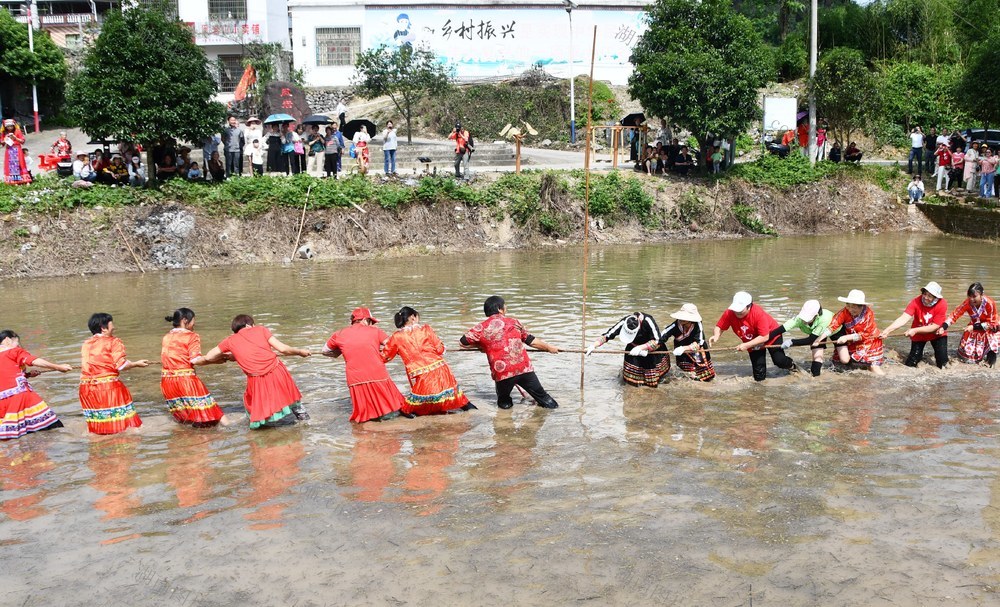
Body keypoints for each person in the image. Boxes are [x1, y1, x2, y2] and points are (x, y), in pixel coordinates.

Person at [198, 314, 311, 429]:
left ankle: (263, 432)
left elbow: (208, 357)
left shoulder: (230, 340)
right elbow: (283, 349)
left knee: (253, 404)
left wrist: (228, 356)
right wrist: (300, 351)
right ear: (248, 325)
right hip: (276, 370)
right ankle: (304, 419)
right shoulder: (261, 329)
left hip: (256, 379)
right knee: (289, 395)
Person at [460, 295, 560, 409]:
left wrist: (483, 345)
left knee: (504, 403)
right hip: (523, 368)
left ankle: (504, 422)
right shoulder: (514, 322)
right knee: (545, 399)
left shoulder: (481, 328)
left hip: (502, 373)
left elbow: (463, 342)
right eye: (504, 306)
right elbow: (531, 341)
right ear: (499, 309)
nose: (505, 308)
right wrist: (549, 347)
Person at [381, 306, 475, 415]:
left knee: (411, 407)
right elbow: (440, 349)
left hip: (422, 374)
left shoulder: (396, 337)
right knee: (460, 401)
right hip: (441, 369)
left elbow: (385, 356)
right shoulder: (426, 329)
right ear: (413, 317)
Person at [322, 307, 409, 423]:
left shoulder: (339, 334)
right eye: (371, 322)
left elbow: (325, 351)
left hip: (355, 378)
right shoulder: (375, 331)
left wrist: (337, 353)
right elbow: (392, 345)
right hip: (378, 374)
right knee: (394, 409)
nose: (372, 325)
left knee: (367, 416)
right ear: (364, 320)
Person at [79, 313, 149, 434]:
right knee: (124, 427)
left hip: (85, 388)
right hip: (107, 387)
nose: (114, 327)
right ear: (103, 327)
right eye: (112, 323)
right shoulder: (113, 341)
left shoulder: (86, 343)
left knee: (98, 427)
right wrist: (136, 364)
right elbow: (121, 365)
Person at [709, 291, 797, 381]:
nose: (737, 313)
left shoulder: (758, 313)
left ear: (749, 306)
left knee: (779, 361)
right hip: (752, 342)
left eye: (740, 310)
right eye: (736, 310)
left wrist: (746, 345)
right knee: (759, 374)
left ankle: (793, 367)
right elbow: (720, 326)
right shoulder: (730, 312)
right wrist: (716, 335)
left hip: (772, 336)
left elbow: (764, 336)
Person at [0, 329, 72, 440]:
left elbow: (6, 375)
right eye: (17, 342)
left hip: (2, 402)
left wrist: (27, 375)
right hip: (21, 396)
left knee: (12, 436)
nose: (18, 345)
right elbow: (33, 361)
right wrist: (58, 367)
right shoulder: (14, 351)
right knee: (52, 428)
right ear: (7, 340)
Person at [160, 308, 225, 426]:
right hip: (186, 381)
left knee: (187, 419)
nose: (194, 323)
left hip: (167, 382)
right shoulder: (191, 336)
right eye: (193, 320)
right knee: (214, 415)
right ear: (185, 320)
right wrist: (215, 359)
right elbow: (195, 360)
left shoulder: (166, 337)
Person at [587, 312, 670, 387]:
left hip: (651, 350)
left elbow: (658, 340)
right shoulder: (624, 322)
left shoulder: (648, 320)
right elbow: (607, 335)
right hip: (633, 349)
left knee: (652, 382)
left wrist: (641, 347)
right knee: (631, 383)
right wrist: (593, 346)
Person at [879, 281, 949, 369]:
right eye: (925, 294)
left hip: (937, 333)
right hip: (919, 334)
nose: (926, 298)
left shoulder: (942, 304)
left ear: (936, 297)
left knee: (943, 364)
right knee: (912, 363)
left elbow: (935, 326)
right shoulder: (916, 302)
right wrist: (887, 331)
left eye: (930, 296)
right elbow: (904, 318)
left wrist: (915, 330)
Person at [816, 289, 885, 375]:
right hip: (853, 341)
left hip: (869, 341)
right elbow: (833, 325)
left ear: (862, 306)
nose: (850, 309)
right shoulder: (844, 312)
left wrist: (846, 337)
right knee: (840, 364)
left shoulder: (868, 314)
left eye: (854, 307)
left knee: (872, 366)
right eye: (848, 306)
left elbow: (865, 334)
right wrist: (819, 339)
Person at [767, 300, 834, 377]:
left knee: (844, 359)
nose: (804, 320)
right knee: (816, 362)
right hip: (817, 334)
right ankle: (816, 379)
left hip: (835, 330)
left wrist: (791, 342)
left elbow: (811, 340)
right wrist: (764, 339)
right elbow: (780, 329)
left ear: (816, 315)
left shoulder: (825, 319)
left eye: (807, 319)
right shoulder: (799, 319)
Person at [940, 282, 998, 367]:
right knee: (965, 356)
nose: (971, 299)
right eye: (969, 296)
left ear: (981, 295)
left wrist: (974, 327)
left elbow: (991, 323)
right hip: (974, 326)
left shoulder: (989, 303)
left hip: (991, 326)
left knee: (992, 341)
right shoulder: (967, 303)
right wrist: (944, 326)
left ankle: (991, 359)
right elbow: (955, 314)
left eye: (974, 296)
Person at [658, 303, 715, 382]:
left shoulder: (697, 324)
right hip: (681, 350)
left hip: (696, 349)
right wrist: (647, 347)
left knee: (706, 376)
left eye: (684, 318)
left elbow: (699, 342)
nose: (681, 320)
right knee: (688, 374)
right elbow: (661, 337)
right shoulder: (675, 325)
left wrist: (684, 348)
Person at [2, 119, 32, 185]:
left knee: (21, 164)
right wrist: (5, 139)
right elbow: (2, 143)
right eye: (8, 127)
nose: (10, 128)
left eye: (11, 126)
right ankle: (15, 181)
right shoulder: (4, 133)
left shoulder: (18, 131)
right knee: (11, 166)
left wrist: (15, 138)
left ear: (14, 126)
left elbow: (22, 141)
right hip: (9, 150)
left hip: (17, 149)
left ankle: (26, 180)